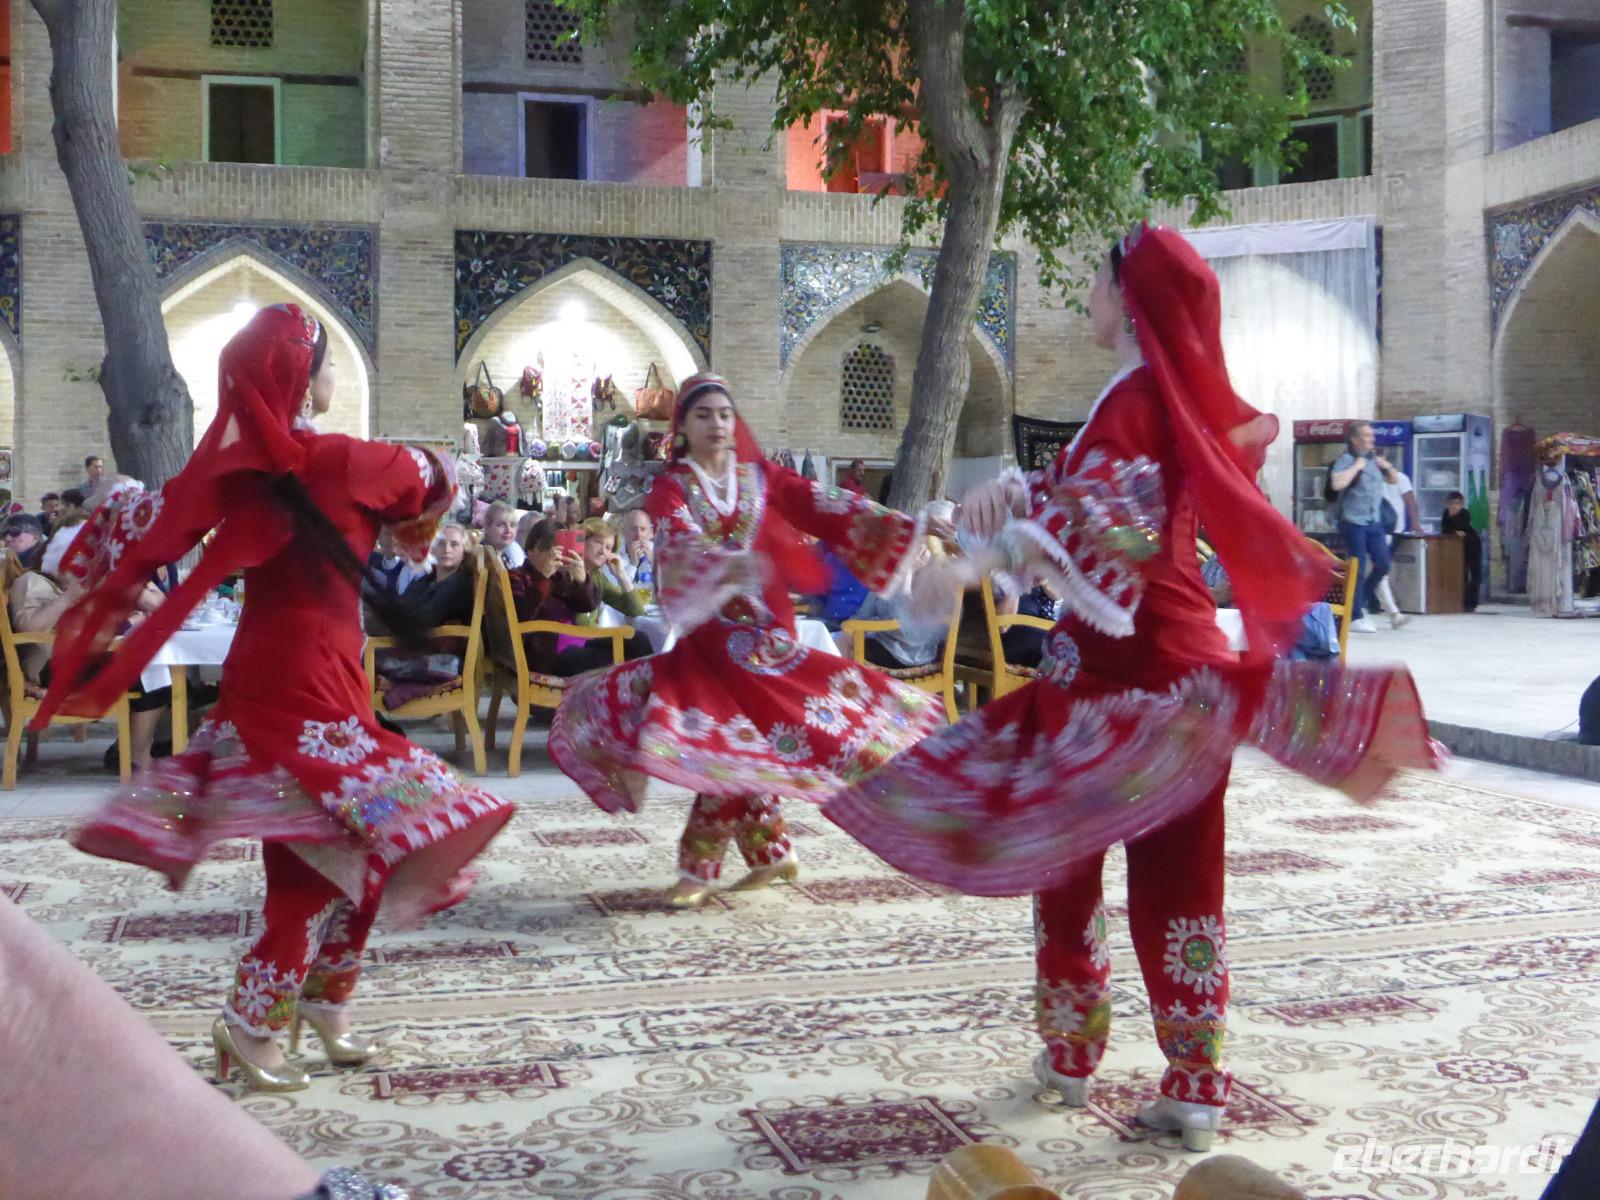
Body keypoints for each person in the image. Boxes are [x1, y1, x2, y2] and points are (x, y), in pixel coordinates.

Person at [825, 226, 1439, 1152]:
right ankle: (1194, 1085)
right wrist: (1005, 503)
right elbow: (1087, 499)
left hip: (1119, 690)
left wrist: (969, 568)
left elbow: (1114, 530)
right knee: (1180, 884)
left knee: (1065, 867)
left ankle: (1074, 1057)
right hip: (1179, 683)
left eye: (1100, 281)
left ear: (1130, 299)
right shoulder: (1152, 397)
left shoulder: (1140, 399)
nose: (1087, 295)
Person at [40, 304, 514, 1094]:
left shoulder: (237, 474)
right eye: (329, 366)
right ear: (305, 379)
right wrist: (419, 521)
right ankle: (252, 1024)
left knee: (344, 833)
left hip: (280, 666)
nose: (334, 380)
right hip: (311, 674)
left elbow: (131, 530)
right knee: (331, 848)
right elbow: (439, 478)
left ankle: (324, 1002)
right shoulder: (352, 461)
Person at [548, 372, 947, 908]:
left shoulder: (762, 479)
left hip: (764, 636)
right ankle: (772, 852)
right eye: (704, 414)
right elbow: (676, 537)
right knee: (734, 740)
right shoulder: (674, 486)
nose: (717, 423)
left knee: (733, 742)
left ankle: (701, 866)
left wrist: (908, 527)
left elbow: (827, 504)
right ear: (683, 425)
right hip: (712, 640)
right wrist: (730, 565)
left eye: (724, 414)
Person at [510, 516, 649, 674]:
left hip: (577, 642)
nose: (554, 557)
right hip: (547, 653)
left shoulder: (561, 575)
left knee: (639, 640)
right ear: (531, 551)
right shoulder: (517, 577)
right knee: (622, 660)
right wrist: (542, 577)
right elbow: (522, 615)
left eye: (558, 551)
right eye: (549, 551)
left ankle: (650, 695)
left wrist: (582, 579)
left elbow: (587, 605)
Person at [1328, 421, 1396, 633]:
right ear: (1355, 439)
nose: (1372, 439)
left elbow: (1393, 480)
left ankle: (1358, 600)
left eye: (1372, 435)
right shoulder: (1346, 460)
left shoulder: (1374, 460)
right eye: (1367, 435)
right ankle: (1355, 616)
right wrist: (1357, 465)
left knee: (1383, 563)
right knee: (1357, 566)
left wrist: (1387, 466)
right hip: (1352, 521)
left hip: (1373, 521)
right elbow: (1337, 484)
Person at [1371, 465, 1419, 628]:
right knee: (1378, 571)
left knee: (1379, 570)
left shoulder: (1398, 478)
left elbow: (1409, 499)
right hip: (1372, 529)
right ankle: (1390, 612)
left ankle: (1391, 611)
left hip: (1389, 530)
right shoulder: (1367, 479)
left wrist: (1414, 523)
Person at [575, 516, 647, 622]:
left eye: (608, 547)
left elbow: (636, 610)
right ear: (582, 541)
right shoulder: (567, 572)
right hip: (574, 636)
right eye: (598, 542)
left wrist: (621, 575)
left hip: (591, 636)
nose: (602, 551)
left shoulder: (598, 577)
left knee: (640, 637)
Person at [1440, 490, 1483, 612]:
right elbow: (1445, 529)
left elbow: (1463, 528)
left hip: (1472, 545)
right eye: (1451, 503)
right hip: (1457, 550)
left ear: (1461, 504)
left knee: (1475, 574)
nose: (1454, 506)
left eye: (1457, 503)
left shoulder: (1464, 513)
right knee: (1461, 574)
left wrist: (1455, 522)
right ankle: (1460, 601)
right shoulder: (1446, 514)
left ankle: (1471, 603)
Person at [619, 505, 654, 593]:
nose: (638, 535)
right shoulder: (613, 553)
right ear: (623, 531)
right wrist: (632, 564)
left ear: (651, 533)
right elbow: (617, 591)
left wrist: (653, 563)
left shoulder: (658, 552)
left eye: (643, 529)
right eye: (633, 529)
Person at [481, 500, 526, 568]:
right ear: (487, 526)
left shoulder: (505, 558)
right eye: (501, 525)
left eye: (512, 525)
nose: (508, 530)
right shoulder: (481, 557)